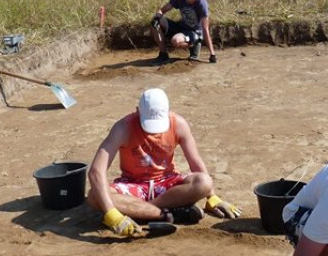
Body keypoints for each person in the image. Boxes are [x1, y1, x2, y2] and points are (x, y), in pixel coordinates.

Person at [87, 88, 240, 237]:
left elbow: (195, 162)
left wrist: (212, 197)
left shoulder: (178, 124)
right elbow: (96, 171)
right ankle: (165, 214)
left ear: (168, 112)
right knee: (94, 195)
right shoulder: (123, 127)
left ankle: (142, 212)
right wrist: (111, 215)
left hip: (166, 185)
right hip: (134, 185)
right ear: (137, 111)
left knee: (204, 182)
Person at [151, 0, 217, 63]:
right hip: (182, 27)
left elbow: (205, 29)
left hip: (195, 32)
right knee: (155, 20)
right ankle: (163, 54)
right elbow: (162, 11)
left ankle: (194, 44)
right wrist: (157, 18)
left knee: (175, 40)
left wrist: (212, 54)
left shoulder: (201, 2)